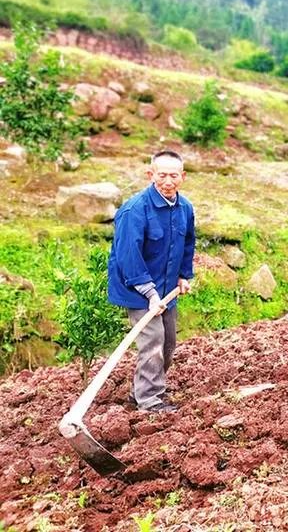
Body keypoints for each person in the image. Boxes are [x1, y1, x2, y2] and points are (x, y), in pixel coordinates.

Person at [107, 150, 195, 413]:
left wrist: (183, 275)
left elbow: (187, 243)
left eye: (174, 175)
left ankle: (140, 392)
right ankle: (150, 402)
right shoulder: (135, 210)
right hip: (136, 288)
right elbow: (128, 256)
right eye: (162, 175)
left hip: (167, 287)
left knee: (168, 343)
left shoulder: (185, 208)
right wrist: (149, 293)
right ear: (151, 174)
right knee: (153, 341)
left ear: (183, 176)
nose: (168, 181)